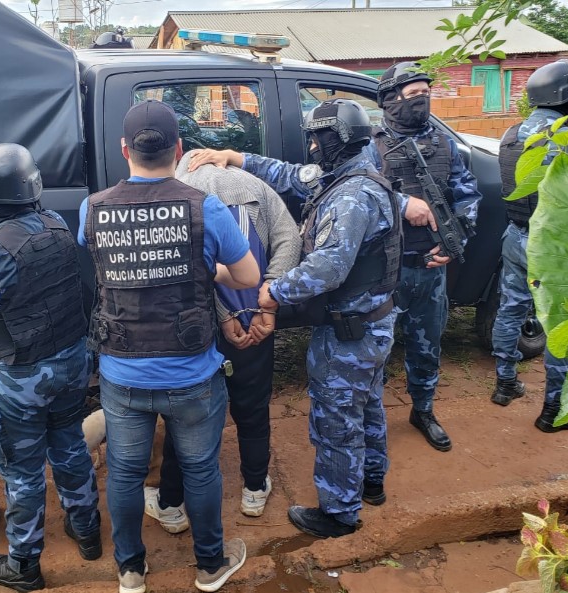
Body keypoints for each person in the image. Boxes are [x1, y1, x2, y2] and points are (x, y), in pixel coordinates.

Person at [188, 98, 401, 538]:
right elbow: (289, 175)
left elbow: (328, 267)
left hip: (349, 329)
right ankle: (372, 482)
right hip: (370, 323)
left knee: (337, 421)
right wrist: (236, 157)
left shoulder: (352, 195)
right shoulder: (345, 173)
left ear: (337, 139)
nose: (312, 146)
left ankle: (339, 513)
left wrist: (273, 293)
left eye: (318, 137)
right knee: (368, 405)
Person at [79, 100, 259, 593]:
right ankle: (209, 566)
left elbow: (101, 258)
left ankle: (131, 571)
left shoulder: (92, 208)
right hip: (191, 373)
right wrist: (207, 269)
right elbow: (248, 276)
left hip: (122, 373)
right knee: (201, 471)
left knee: (125, 473)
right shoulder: (206, 207)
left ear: (124, 150)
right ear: (179, 150)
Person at [0, 144, 101, 592]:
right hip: (71, 363)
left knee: (22, 472)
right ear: (32, 186)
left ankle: (25, 564)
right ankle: (87, 531)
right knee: (70, 446)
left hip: (17, 378)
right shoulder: (56, 224)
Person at [142, 150, 302, 533]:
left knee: (187, 415)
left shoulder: (178, 195)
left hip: (200, 330)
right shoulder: (259, 187)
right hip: (258, 324)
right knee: (252, 405)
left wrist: (224, 314)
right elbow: (289, 240)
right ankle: (254, 487)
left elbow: (193, 266)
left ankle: (171, 502)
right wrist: (269, 303)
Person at [491, 59, 568, 432]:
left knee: (510, 308)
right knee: (562, 324)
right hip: (557, 249)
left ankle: (504, 383)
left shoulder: (511, 134)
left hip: (516, 237)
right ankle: (555, 410)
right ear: (565, 95)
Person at [365, 61, 482, 453]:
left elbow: (467, 197)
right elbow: (354, 193)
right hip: (386, 271)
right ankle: (371, 417)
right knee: (375, 352)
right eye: (413, 94)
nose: (422, 100)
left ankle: (424, 410)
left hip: (430, 271)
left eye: (425, 93)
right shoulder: (370, 145)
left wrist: (453, 244)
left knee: (427, 346)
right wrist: (401, 203)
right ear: (390, 101)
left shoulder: (445, 144)